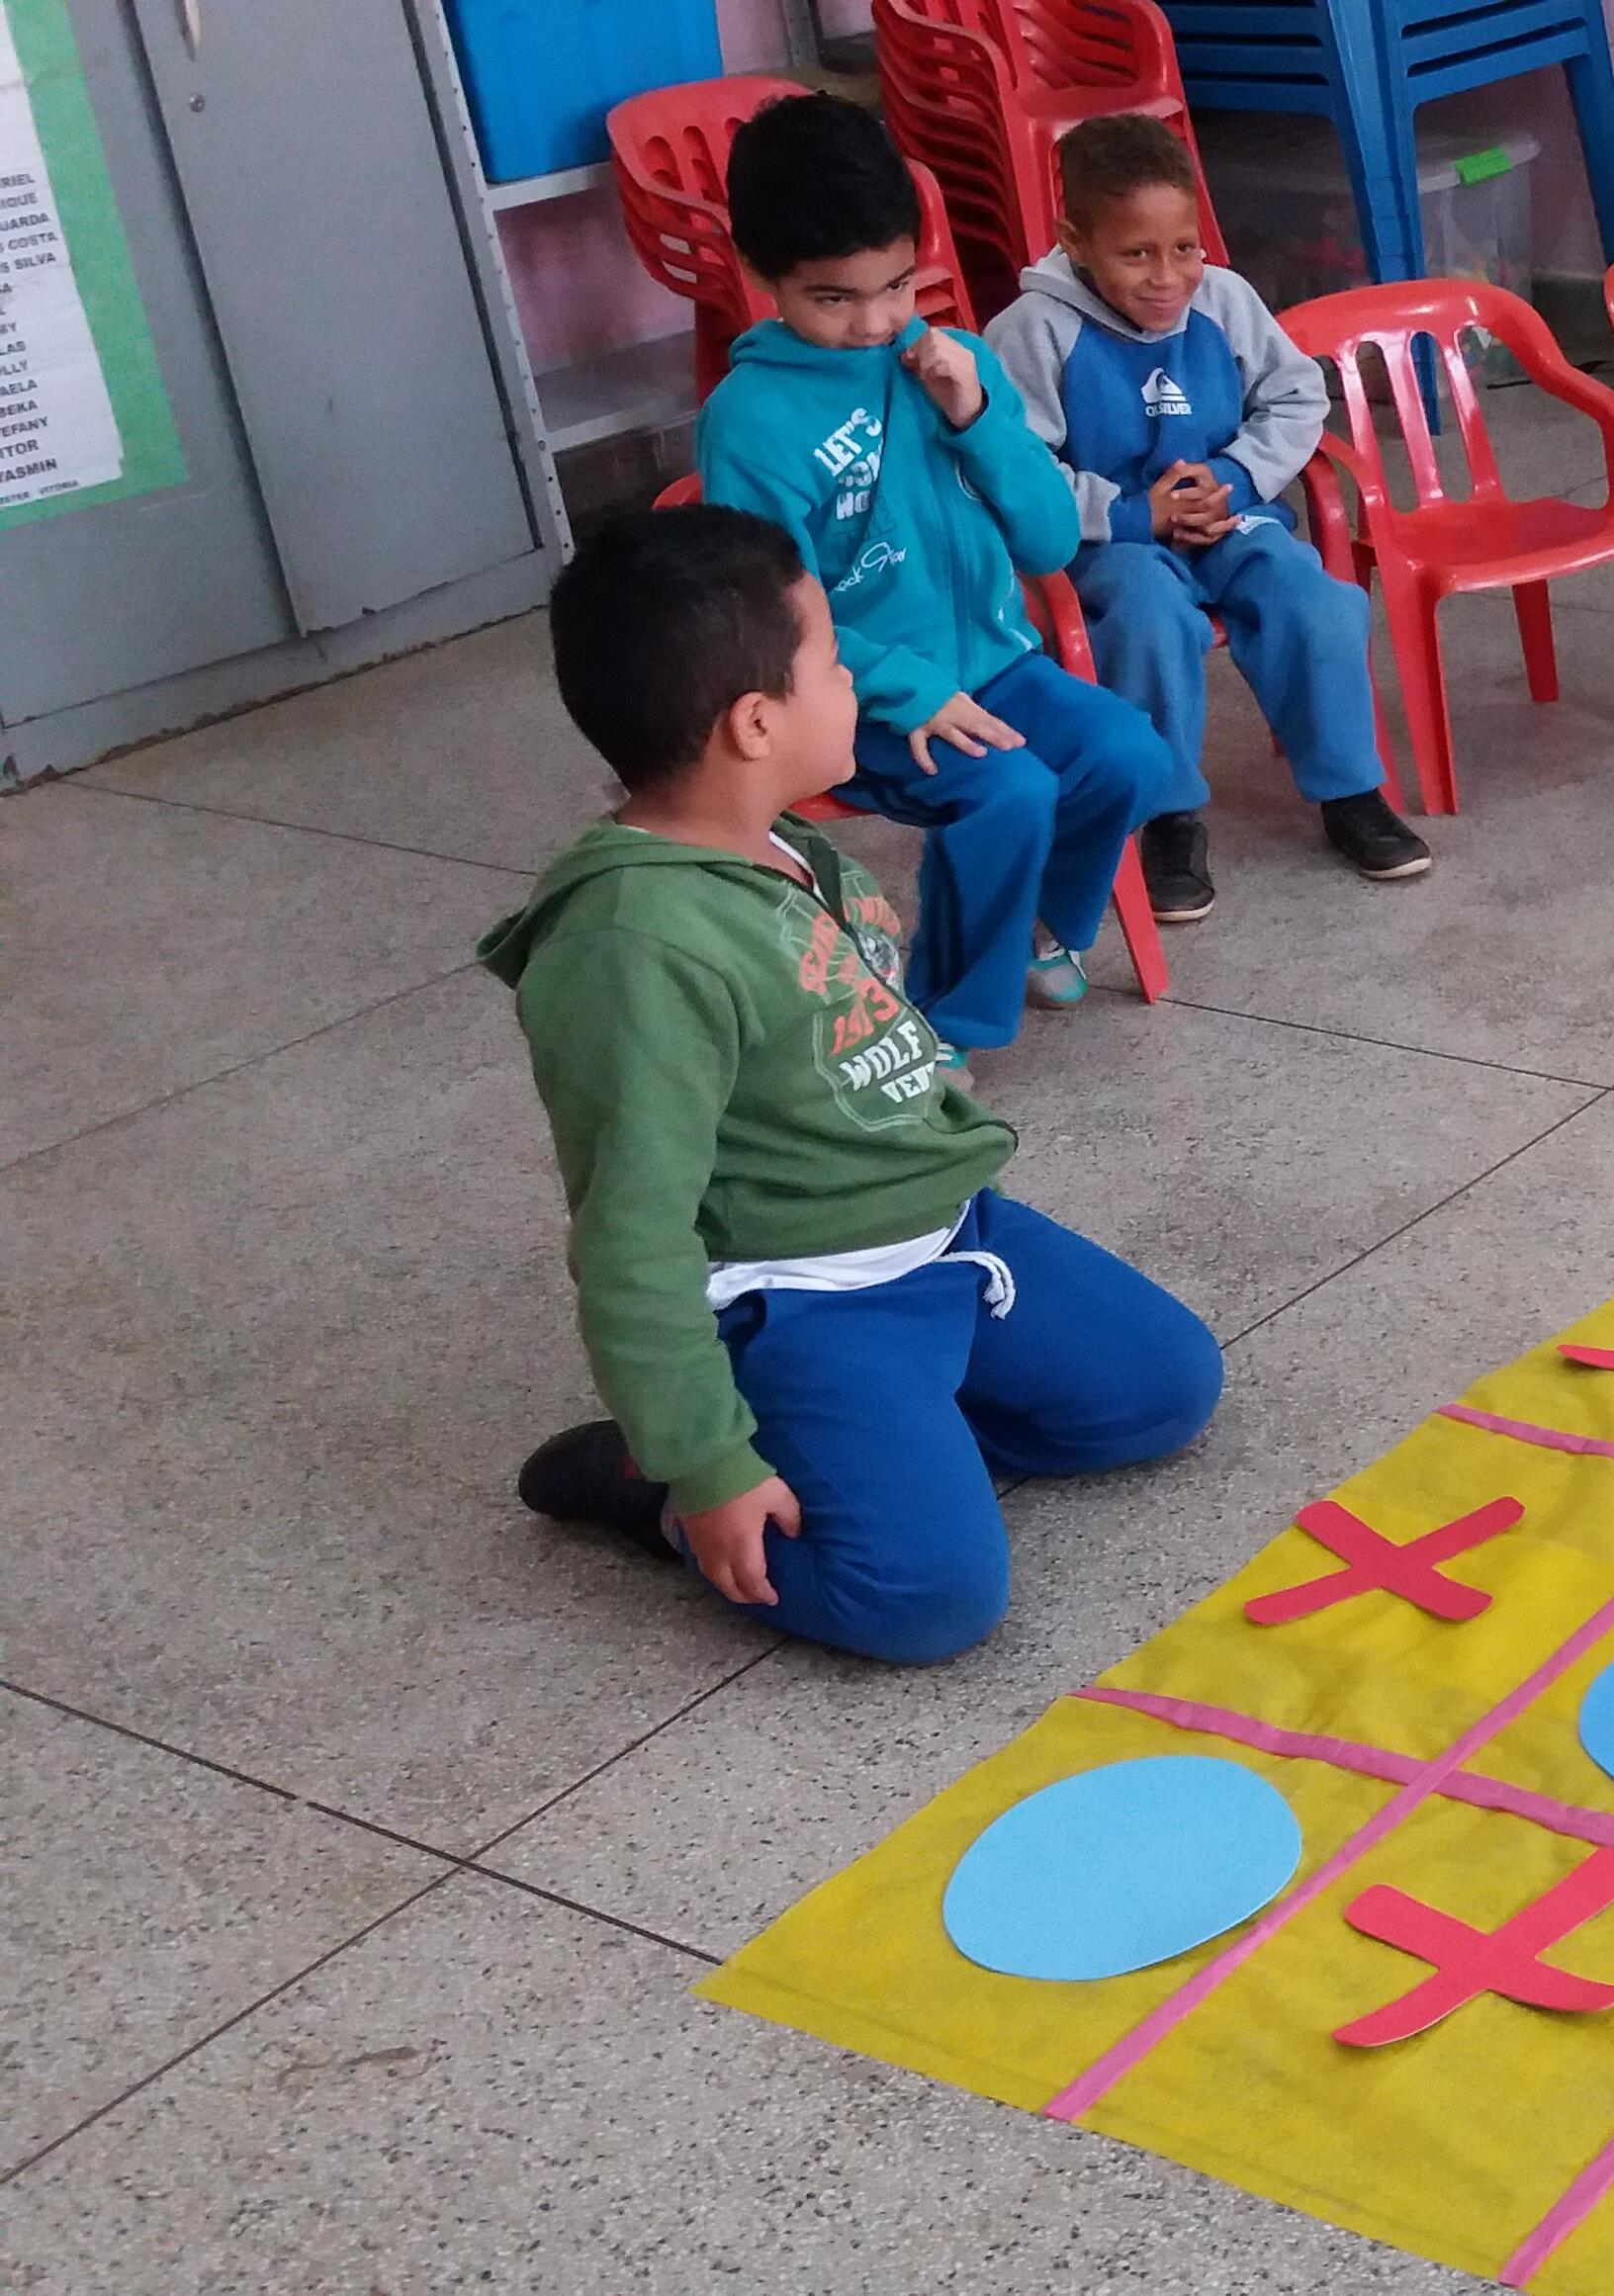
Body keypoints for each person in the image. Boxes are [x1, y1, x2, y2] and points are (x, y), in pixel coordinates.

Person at [486, 508, 1224, 1664]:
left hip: (940, 1237)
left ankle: (896, 1442)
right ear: (755, 721)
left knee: (1163, 1393)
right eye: (836, 661)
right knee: (930, 1598)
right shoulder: (634, 948)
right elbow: (631, 1236)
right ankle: (653, 1491)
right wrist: (705, 1463)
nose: (858, 683)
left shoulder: (779, 842)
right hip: (804, 1299)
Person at [693, 93, 1164, 1055]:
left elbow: (1046, 544)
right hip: (849, 698)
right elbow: (769, 610)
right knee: (1011, 793)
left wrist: (977, 412)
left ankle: (1038, 930)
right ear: (760, 275)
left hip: (994, 660)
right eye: (834, 298)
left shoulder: (956, 360)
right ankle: (940, 1018)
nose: (875, 322)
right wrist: (908, 690)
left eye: (898, 285)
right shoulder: (751, 420)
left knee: (1130, 754)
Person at [988, 112, 1433, 919]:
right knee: (1149, 619)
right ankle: (1166, 815)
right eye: (1137, 254)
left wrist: (1234, 475)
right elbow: (1016, 467)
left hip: (1231, 518)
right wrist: (1132, 515)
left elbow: (1297, 397)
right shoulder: (1030, 332)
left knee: (1316, 599)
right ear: (1075, 241)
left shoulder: (1226, 300)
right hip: (1111, 541)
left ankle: (1349, 792)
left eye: (1184, 247)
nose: (1168, 277)